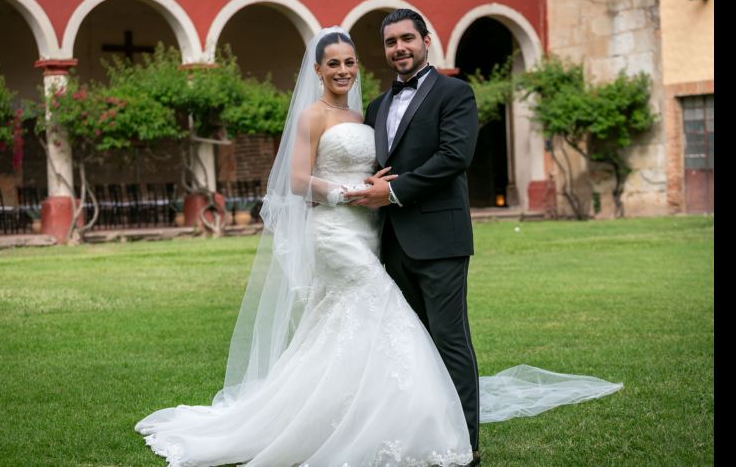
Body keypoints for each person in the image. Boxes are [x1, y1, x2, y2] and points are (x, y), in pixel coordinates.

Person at [135, 26, 623, 467]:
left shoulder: (399, 104)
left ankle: (447, 435)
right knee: (388, 317)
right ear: (319, 69)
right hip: (337, 230)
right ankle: (405, 427)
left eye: (351, 61)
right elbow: (296, 179)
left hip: (385, 231)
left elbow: (450, 157)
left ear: (425, 40)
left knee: (386, 334)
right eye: (335, 63)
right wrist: (349, 192)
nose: (346, 69)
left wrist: (377, 189)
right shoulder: (332, 113)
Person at [345, 8, 481, 464]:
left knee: (449, 341)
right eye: (390, 42)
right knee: (412, 347)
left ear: (427, 40)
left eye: (407, 38)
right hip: (391, 244)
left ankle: (466, 442)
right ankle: (422, 435)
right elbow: (376, 168)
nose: (399, 48)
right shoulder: (377, 107)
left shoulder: (455, 92)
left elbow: (454, 157)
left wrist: (395, 191)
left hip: (441, 239)